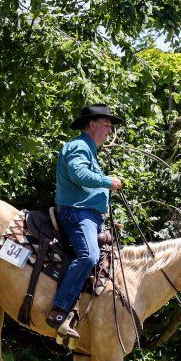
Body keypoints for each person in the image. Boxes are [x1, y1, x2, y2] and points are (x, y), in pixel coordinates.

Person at [45, 103, 125, 339]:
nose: (110, 131)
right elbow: (78, 175)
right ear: (92, 125)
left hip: (87, 215)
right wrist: (107, 181)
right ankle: (59, 311)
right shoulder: (79, 146)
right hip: (77, 214)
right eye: (107, 125)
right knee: (89, 255)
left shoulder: (88, 149)